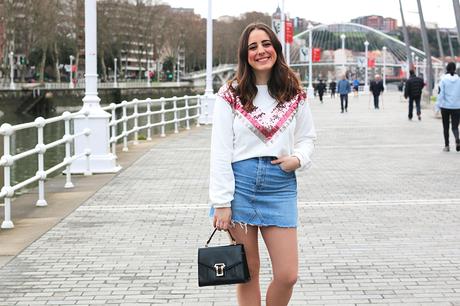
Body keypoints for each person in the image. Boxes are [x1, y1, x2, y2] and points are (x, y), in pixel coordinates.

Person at [209, 22, 316, 306]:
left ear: (276, 48)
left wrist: (298, 159)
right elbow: (219, 150)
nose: (260, 51)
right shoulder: (229, 94)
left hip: (280, 186)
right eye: (252, 47)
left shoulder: (294, 92)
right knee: (248, 271)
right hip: (240, 185)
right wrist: (221, 202)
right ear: (245, 54)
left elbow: (307, 138)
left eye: (266, 44)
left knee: (287, 274)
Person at [435, 62, 460, 152]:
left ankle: (447, 146)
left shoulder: (443, 80)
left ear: (447, 69)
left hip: (445, 106)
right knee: (455, 126)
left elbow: (440, 94)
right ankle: (457, 139)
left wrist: (437, 107)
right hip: (457, 107)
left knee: (446, 127)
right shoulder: (459, 80)